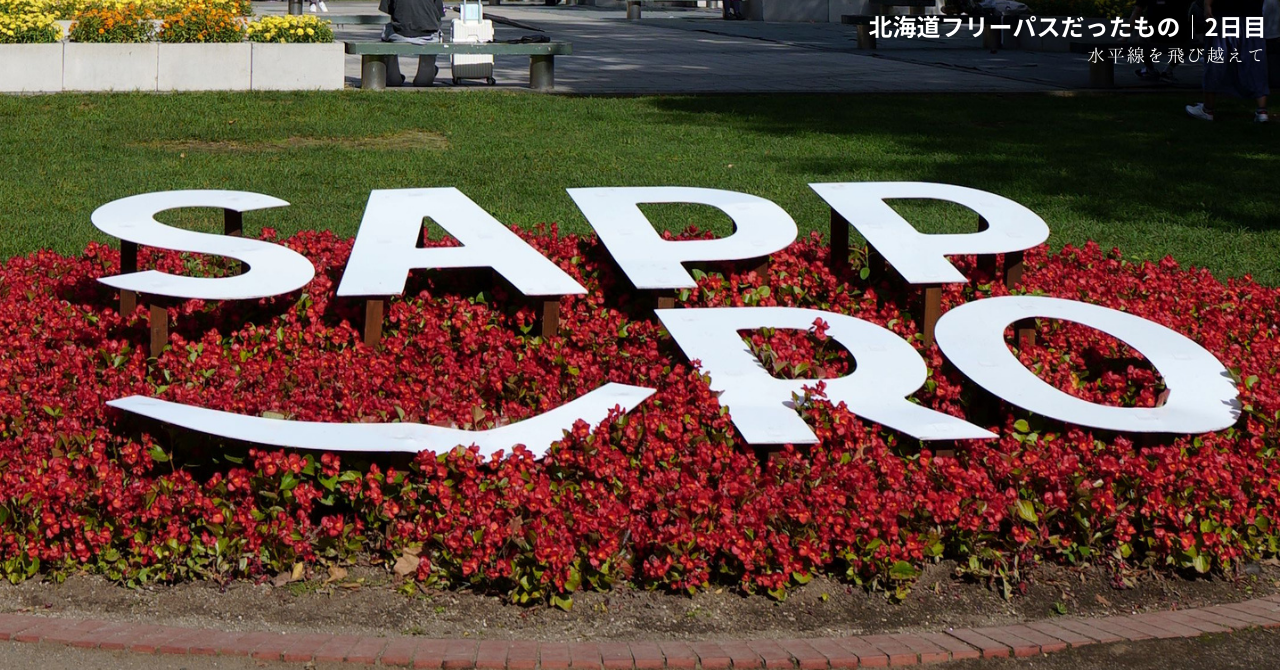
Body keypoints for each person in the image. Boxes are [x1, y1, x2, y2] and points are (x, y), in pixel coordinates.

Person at [1185, 0, 1270, 122]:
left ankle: (1208, 109)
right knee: (1255, 60)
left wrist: (1207, 5)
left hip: (1224, 13)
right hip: (1252, 14)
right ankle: (1262, 111)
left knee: (1216, 60)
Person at [379, 0, 446, 87]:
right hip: (427, 35)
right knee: (423, 83)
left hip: (399, 33)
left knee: (386, 33)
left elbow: (390, 10)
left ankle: (392, 76)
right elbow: (438, 13)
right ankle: (427, 72)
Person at [1130, 0, 1191, 80]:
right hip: (1177, 36)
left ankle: (1151, 70)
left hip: (1160, 35)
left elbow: (1136, 12)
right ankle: (1167, 70)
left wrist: (1125, 36)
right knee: (1189, 42)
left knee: (1138, 42)